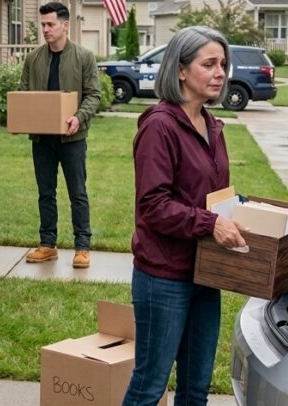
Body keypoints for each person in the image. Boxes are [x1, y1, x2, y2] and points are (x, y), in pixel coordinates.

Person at [122, 26, 247, 406]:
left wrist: (239, 211)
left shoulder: (212, 125)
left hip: (205, 273)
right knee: (149, 386)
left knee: (196, 389)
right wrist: (212, 224)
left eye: (222, 64)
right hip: (163, 278)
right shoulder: (159, 127)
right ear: (180, 70)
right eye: (208, 64)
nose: (220, 72)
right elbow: (154, 206)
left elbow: (208, 194)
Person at [19, 2, 101, 269]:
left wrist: (78, 117)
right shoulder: (33, 59)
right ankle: (47, 244)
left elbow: (94, 95)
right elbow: (24, 95)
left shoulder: (84, 57)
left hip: (72, 138)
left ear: (65, 25)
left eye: (50, 24)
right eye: (43, 24)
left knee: (77, 192)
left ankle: (82, 246)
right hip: (42, 139)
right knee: (45, 193)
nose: (45, 29)